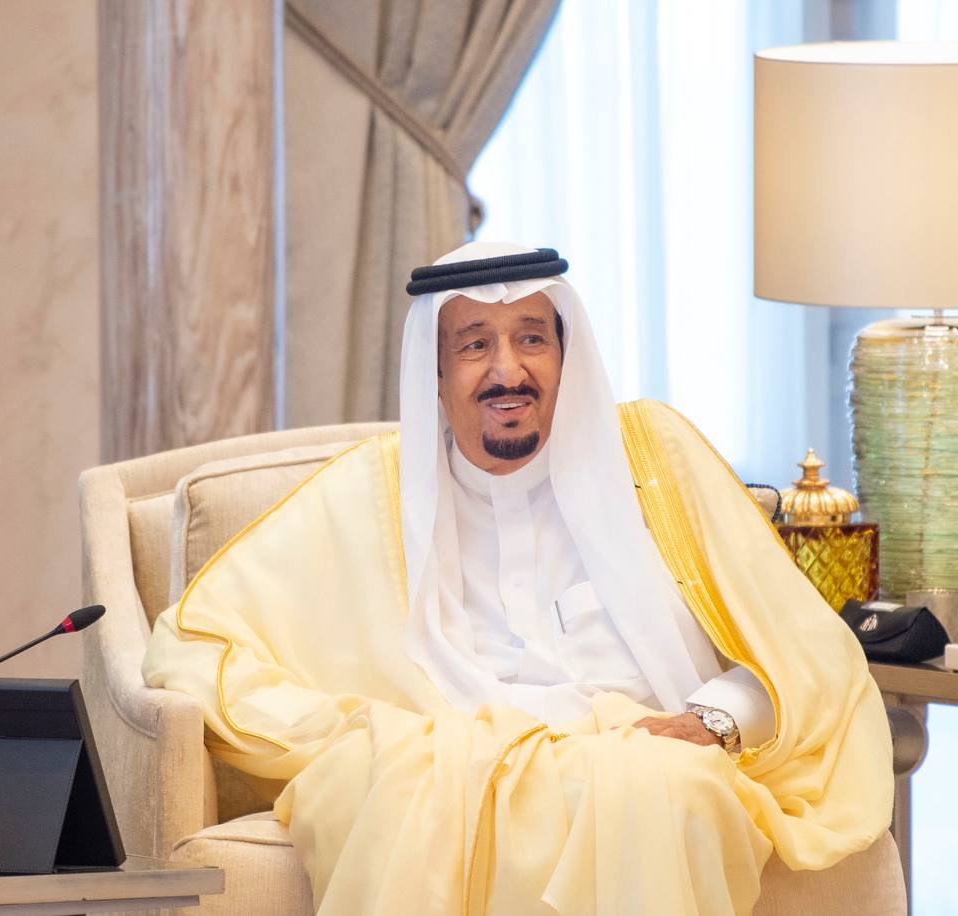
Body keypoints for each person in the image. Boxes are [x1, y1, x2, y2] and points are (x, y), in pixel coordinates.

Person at [143, 241, 893, 915]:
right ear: (436, 373)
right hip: (446, 762)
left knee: (670, 788)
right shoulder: (369, 496)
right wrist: (354, 731)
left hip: (644, 757)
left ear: (566, 357)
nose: (508, 371)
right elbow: (197, 644)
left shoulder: (658, 462)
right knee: (401, 784)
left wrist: (715, 720)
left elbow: (803, 651)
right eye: (474, 344)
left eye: (532, 338)